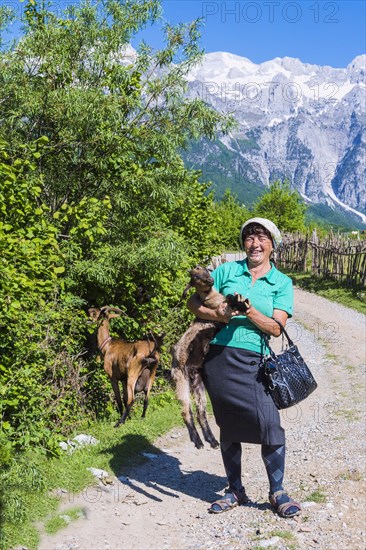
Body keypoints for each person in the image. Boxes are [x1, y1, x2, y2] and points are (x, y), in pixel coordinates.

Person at [187, 217, 302, 517]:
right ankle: (235, 489)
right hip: (218, 359)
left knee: (269, 423)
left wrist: (248, 311)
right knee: (229, 423)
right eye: (250, 237)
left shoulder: (281, 283)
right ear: (244, 243)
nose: (255, 243)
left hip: (254, 360)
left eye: (262, 237)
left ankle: (277, 491)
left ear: (272, 245)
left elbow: (276, 328)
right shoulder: (227, 271)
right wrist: (221, 316)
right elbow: (194, 303)